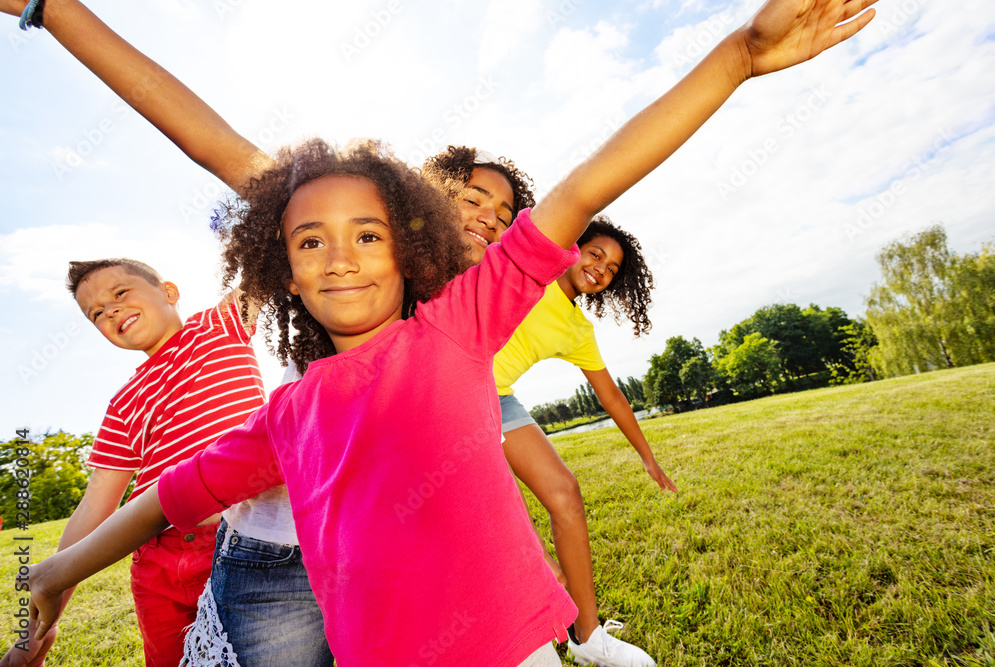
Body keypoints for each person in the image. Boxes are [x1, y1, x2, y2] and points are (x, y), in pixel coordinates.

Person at [5, 0, 881, 664]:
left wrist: (737, 57)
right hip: (288, 589)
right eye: (312, 241)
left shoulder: (459, 325)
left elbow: (583, 188)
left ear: (412, 244)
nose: (340, 257)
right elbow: (170, 493)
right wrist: (55, 571)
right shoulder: (291, 410)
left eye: (369, 237)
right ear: (279, 257)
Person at [4, 258, 265, 667]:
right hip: (157, 563)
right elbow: (95, 505)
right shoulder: (123, 402)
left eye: (120, 293)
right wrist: (43, 623)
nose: (109, 311)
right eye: (96, 314)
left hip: (242, 539)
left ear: (169, 292)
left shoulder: (218, 326)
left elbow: (268, 264)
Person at [495, 215, 676, 666]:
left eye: (612, 268)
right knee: (508, 526)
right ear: (574, 246)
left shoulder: (577, 330)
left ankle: (587, 634)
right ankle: (530, 614)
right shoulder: (525, 271)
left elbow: (611, 395)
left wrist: (647, 456)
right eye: (596, 254)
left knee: (565, 492)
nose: (601, 269)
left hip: (497, 398)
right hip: (451, 391)